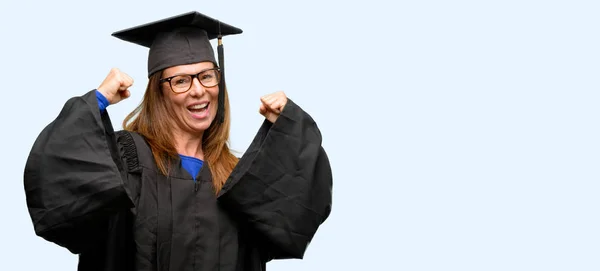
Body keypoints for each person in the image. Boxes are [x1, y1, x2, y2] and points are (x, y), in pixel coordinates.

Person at [23, 11, 332, 271]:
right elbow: (56, 192)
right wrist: (98, 101)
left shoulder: (235, 177)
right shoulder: (125, 159)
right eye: (181, 81)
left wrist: (292, 127)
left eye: (206, 76)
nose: (198, 90)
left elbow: (296, 214)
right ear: (159, 92)